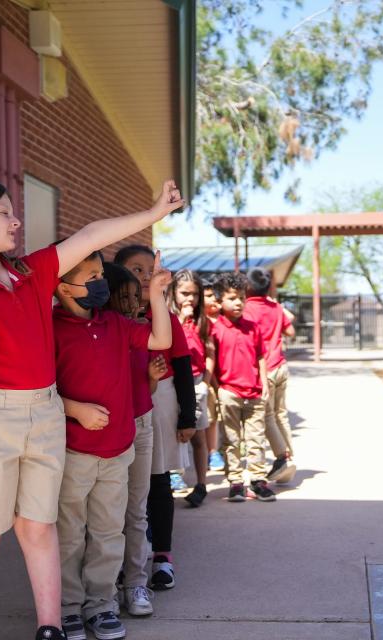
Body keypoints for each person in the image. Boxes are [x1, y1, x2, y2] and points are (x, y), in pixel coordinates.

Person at [0, 175, 183, 640]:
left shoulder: (30, 273)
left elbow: (88, 237)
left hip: (43, 413)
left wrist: (152, 216)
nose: (16, 219)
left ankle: (52, 626)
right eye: (3, 212)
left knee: (39, 526)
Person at [53, 251, 171, 640]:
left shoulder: (117, 324)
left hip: (118, 450)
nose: (99, 282)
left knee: (108, 532)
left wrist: (156, 293)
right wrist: (76, 410)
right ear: (62, 285)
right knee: (69, 534)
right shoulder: (50, 329)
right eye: (89, 275)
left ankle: (101, 604)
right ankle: (68, 607)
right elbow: (40, 390)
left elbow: (160, 338)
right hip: (73, 451)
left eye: (100, 274)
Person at [114, 246, 196, 591]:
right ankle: (121, 559)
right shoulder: (109, 319)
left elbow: (182, 368)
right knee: (119, 488)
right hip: (118, 401)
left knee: (158, 482)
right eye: (136, 269)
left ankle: (162, 556)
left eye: (150, 270)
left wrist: (188, 415)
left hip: (159, 402)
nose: (145, 277)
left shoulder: (166, 319)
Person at [102, 262, 157, 617]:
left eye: (136, 297)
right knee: (104, 516)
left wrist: (151, 377)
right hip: (108, 427)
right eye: (123, 297)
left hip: (142, 424)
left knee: (136, 512)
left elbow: (146, 388)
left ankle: (136, 581)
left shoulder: (143, 333)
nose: (131, 304)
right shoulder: (104, 334)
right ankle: (103, 588)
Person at [210, 272, 274, 502]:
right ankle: (236, 482)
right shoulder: (215, 329)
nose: (238, 302)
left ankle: (258, 481)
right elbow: (212, 362)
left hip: (254, 392)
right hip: (229, 392)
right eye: (232, 298)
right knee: (231, 440)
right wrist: (219, 389)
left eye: (241, 298)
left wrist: (264, 383)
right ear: (220, 302)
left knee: (256, 439)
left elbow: (260, 356)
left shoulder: (253, 327)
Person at [243, 268, 297, 484]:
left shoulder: (247, 309)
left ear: (247, 287)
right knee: (280, 414)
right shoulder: (275, 307)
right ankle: (289, 455)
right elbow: (291, 332)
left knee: (266, 415)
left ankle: (282, 457)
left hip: (264, 368)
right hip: (281, 365)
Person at [168, 269, 215, 507]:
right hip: (173, 382)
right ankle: (172, 477)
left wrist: (206, 382)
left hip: (196, 383)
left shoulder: (201, 321)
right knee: (172, 434)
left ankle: (201, 484)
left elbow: (209, 352)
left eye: (195, 294)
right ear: (173, 293)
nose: (190, 299)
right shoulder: (168, 318)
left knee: (198, 435)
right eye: (185, 293)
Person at [200, 275, 224, 472]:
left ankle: (215, 450)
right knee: (207, 417)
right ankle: (210, 451)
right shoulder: (201, 322)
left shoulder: (224, 321)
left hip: (225, 379)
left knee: (215, 418)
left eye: (215, 296)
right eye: (208, 295)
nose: (213, 300)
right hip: (207, 377)